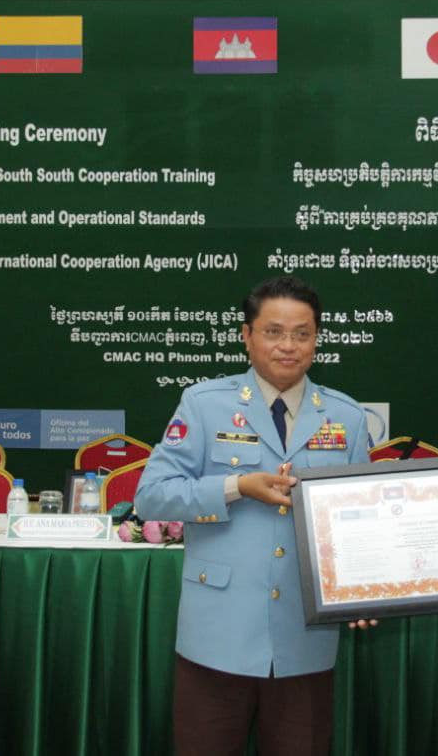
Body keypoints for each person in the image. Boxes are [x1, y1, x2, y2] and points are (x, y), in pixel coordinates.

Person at [135, 276, 371, 756]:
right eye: (273, 332)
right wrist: (237, 487)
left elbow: (360, 523)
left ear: (317, 339)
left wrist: (364, 589)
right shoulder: (204, 404)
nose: (288, 345)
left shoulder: (346, 416)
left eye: (302, 334)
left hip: (305, 641)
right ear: (247, 336)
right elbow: (152, 497)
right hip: (217, 637)